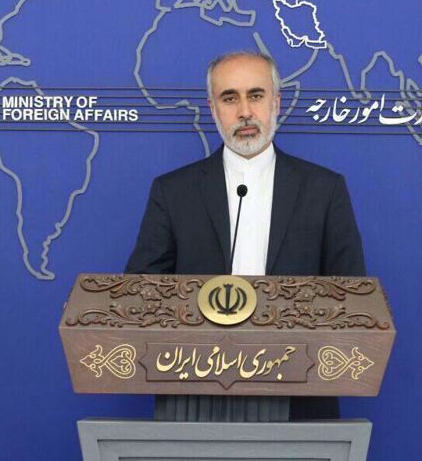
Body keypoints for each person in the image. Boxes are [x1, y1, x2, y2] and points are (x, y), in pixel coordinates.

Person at [125, 51, 366, 420]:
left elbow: (352, 298)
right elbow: (139, 296)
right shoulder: (173, 192)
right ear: (212, 107)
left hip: (301, 402)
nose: (245, 112)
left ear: (276, 102)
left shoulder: (325, 189)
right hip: (194, 401)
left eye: (256, 95)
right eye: (229, 97)